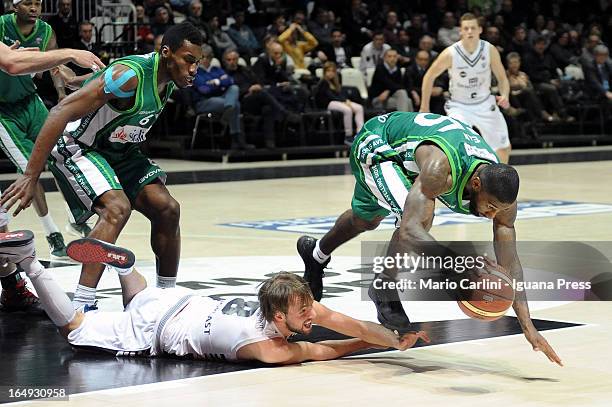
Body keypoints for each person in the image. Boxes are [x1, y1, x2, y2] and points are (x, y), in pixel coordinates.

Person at [296, 111, 562, 367]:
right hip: (379, 143)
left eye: (499, 210)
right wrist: (458, 265)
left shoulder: (503, 199)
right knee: (411, 218)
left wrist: (528, 326)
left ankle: (316, 255)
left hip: (411, 161)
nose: (492, 214)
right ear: (477, 184)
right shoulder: (440, 169)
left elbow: (510, 261)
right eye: (490, 206)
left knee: (366, 218)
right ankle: (384, 286)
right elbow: (410, 231)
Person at [0, 23, 204, 312]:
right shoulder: (131, 75)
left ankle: (164, 297)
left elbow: (100, 82)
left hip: (120, 150)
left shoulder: (169, 75)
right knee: (116, 208)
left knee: (167, 208)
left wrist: (75, 80)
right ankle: (83, 306)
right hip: (80, 146)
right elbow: (61, 110)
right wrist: (31, 175)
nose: (194, 69)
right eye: (189, 60)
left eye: (197, 62)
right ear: (167, 52)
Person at [0, 231, 430, 363]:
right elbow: (323, 350)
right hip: (158, 326)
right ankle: (29, 261)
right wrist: (371, 344)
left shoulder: (291, 300)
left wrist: (392, 339)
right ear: (279, 318)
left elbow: (347, 324)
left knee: (141, 300)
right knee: (75, 331)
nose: (311, 316)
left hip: (171, 303)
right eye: (302, 314)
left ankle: (126, 269)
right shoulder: (265, 348)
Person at [1, 0, 90, 260]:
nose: (34, 7)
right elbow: (11, 62)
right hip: (3, 111)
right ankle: (52, 234)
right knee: (32, 170)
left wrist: (63, 93)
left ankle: (75, 218)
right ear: (14, 7)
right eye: (27, 3)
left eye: (37, 3)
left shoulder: (46, 31)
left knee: (61, 156)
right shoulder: (1, 25)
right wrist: (13, 56)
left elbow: (53, 66)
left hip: (31, 102)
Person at [419, 13, 512, 163]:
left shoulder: (489, 50)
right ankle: (462, 184)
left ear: (480, 29)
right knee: (456, 146)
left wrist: (505, 95)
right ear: (460, 31)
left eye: (473, 28)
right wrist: (424, 106)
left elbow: (502, 78)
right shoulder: (450, 53)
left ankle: (500, 182)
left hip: (484, 103)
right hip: (459, 106)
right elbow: (429, 77)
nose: (469, 31)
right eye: (466, 28)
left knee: (503, 148)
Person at [191, 45, 252, 150]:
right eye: (202, 57)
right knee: (236, 105)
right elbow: (204, 90)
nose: (205, 60)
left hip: (221, 99)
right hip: (203, 102)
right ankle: (236, 139)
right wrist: (220, 83)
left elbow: (230, 81)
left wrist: (215, 82)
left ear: (211, 58)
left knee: (234, 88)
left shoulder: (216, 69)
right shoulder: (195, 72)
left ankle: (228, 112)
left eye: (207, 57)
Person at [313, 62, 364, 144]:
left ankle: (360, 134)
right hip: (327, 103)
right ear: (324, 72)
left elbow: (340, 94)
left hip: (337, 102)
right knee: (347, 110)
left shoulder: (336, 82)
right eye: (328, 71)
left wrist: (347, 100)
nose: (330, 73)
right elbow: (330, 96)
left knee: (359, 108)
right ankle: (348, 136)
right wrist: (344, 102)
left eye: (332, 71)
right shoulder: (323, 82)